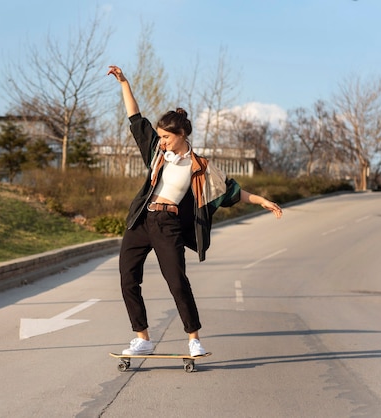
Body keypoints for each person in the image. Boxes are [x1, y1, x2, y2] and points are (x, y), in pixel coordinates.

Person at [107, 65, 283, 357]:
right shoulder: (155, 152)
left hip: (168, 225)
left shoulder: (200, 166)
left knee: (177, 282)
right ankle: (143, 338)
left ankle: (193, 338)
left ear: (182, 134)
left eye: (166, 137)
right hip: (141, 221)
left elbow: (230, 191)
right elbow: (135, 117)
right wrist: (124, 83)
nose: (161, 141)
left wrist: (262, 201)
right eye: (160, 137)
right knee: (128, 278)